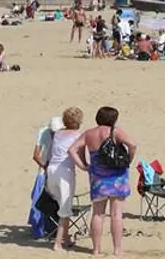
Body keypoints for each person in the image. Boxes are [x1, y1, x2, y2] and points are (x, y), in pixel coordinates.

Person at [69, 107, 137, 257]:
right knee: (116, 214)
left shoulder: (89, 133)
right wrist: (128, 160)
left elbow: (72, 149)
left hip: (97, 177)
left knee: (98, 214)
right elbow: (132, 145)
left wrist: (84, 166)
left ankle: (96, 250)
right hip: (117, 176)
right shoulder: (115, 131)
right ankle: (117, 250)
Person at [46, 107, 84, 251]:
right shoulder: (77, 135)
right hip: (65, 171)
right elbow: (80, 156)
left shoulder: (57, 134)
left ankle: (66, 238)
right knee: (65, 208)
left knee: (62, 204)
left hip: (52, 169)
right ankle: (58, 243)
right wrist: (86, 167)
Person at [28, 116, 65, 239]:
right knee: (39, 200)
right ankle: (39, 229)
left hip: (57, 172)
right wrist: (45, 166)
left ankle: (52, 229)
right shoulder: (43, 132)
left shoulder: (64, 135)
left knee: (54, 202)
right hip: (45, 172)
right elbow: (36, 156)